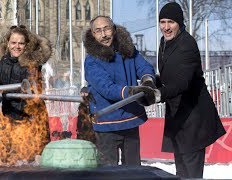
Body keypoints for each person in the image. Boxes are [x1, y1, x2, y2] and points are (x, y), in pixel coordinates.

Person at [133, 2, 226, 178]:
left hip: (193, 118)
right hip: (178, 116)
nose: (166, 27)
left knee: (191, 174)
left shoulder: (187, 45)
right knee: (180, 172)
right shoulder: (165, 42)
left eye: (171, 22)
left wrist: (157, 95)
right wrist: (150, 86)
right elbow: (168, 77)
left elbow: (182, 82)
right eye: (162, 22)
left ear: (180, 23)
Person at [83, 15, 156, 166]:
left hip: (130, 119)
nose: (104, 35)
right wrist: (131, 92)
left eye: (106, 29)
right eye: (98, 31)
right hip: (106, 123)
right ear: (93, 34)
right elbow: (106, 88)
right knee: (109, 173)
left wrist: (147, 80)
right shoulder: (91, 61)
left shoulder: (128, 51)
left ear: (114, 30)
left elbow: (143, 66)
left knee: (134, 170)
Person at [0, 25, 52, 121]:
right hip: (10, 114)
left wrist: (9, 90)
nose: (16, 47)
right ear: (8, 44)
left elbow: (31, 85)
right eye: (13, 43)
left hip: (31, 116)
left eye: (21, 43)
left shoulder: (32, 62)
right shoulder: (5, 61)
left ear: (26, 45)